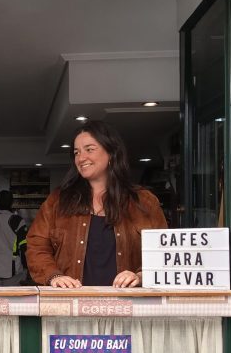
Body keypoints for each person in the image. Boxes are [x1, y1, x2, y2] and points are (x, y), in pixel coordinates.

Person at [26, 121, 167, 288]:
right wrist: (54, 276)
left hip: (128, 308)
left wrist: (141, 275)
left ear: (111, 153)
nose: (81, 158)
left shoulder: (144, 201)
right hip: (72, 306)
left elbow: (162, 252)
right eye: (76, 152)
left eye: (89, 149)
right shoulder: (57, 201)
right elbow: (36, 246)